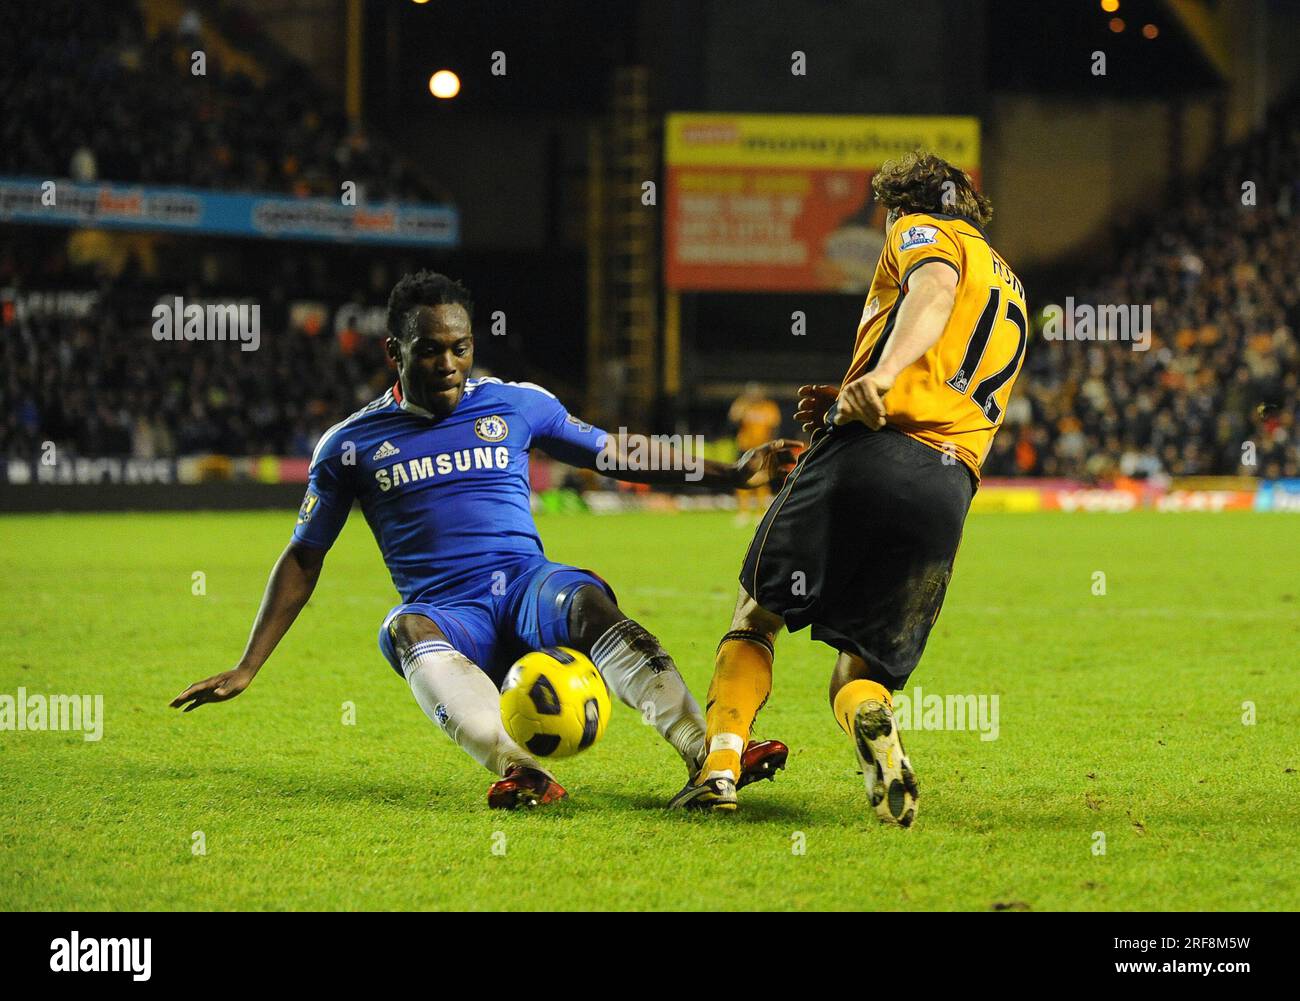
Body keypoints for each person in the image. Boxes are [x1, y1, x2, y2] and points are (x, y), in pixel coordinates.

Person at [170, 271, 801, 809]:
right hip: (449, 613)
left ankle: (709, 755)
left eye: (460, 347)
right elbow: (306, 556)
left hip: (529, 586)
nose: (447, 364)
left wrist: (730, 471)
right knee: (401, 627)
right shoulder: (351, 445)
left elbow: (616, 452)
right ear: (395, 351)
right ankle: (520, 769)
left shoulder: (516, 404)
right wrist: (249, 664)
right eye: (428, 350)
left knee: (586, 600)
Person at [672, 152, 1028, 825]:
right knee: (861, 669)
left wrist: (885, 375)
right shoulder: (1011, 284)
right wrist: (865, 385)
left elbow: (932, 294)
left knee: (756, 614)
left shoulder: (923, 230)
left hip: (870, 451)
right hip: (947, 489)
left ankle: (719, 765)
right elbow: (953, 370)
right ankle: (873, 721)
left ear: (900, 206)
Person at [728, 383, 783, 524]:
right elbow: (733, 419)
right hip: (744, 447)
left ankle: (761, 511)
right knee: (741, 478)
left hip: (761, 448)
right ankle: (743, 511)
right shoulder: (743, 405)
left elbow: (774, 427)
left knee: (762, 478)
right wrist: (741, 405)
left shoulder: (769, 407)